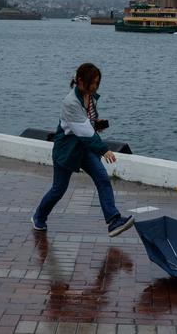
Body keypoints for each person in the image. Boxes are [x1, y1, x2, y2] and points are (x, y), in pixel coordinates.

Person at [31, 62, 134, 237]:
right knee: (58, 190)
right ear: (79, 80)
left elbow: (87, 124)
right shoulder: (70, 102)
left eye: (97, 83)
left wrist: (97, 125)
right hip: (67, 150)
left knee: (102, 178)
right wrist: (104, 149)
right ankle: (39, 216)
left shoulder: (90, 97)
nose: (94, 87)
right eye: (91, 83)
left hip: (84, 148)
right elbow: (84, 132)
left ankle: (113, 220)